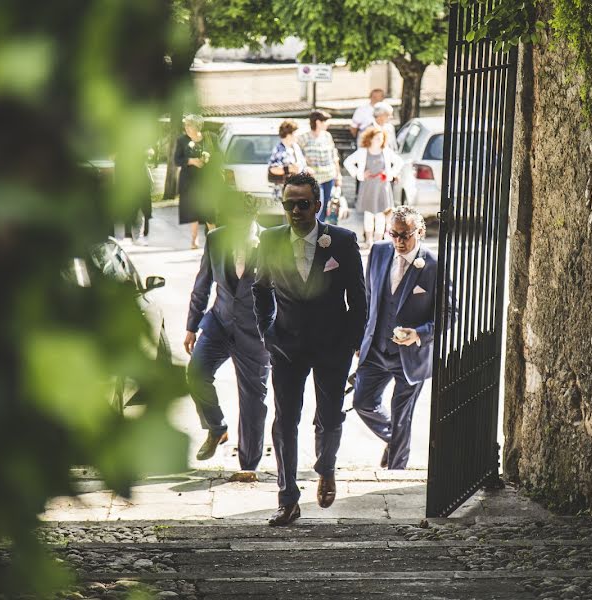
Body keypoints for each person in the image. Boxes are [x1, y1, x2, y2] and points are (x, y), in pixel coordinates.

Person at [252, 172, 366, 526]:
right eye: (290, 204)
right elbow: (260, 289)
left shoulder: (342, 242)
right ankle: (288, 498)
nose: (296, 210)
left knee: (330, 418)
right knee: (285, 421)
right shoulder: (270, 240)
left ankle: (326, 468)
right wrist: (268, 333)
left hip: (332, 346)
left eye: (303, 204)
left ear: (318, 205)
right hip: (286, 346)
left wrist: (351, 343)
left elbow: (359, 299)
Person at [185, 194, 270, 482]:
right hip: (219, 324)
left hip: (255, 334)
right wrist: (191, 326)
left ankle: (249, 465)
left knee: (252, 402)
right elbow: (202, 284)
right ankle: (217, 427)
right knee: (196, 373)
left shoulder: (272, 244)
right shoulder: (216, 238)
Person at [352, 207, 439, 469]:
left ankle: (396, 475)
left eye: (406, 235)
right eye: (394, 234)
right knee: (362, 402)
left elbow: (449, 313)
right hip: (376, 349)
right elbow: (369, 298)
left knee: (402, 416)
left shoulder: (433, 265)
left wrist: (419, 334)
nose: (399, 241)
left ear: (420, 232)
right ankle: (395, 439)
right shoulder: (378, 252)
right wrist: (361, 339)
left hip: (409, 357)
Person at [343, 126, 403, 248]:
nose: (379, 140)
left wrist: (390, 173)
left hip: (382, 186)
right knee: (369, 214)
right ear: (370, 139)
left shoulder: (386, 151)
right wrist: (359, 174)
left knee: (381, 214)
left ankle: (378, 241)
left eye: (381, 138)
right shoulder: (363, 151)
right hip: (368, 186)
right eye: (376, 138)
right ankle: (369, 240)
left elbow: (399, 162)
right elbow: (347, 162)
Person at [174, 114, 216, 249]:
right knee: (193, 211)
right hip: (189, 181)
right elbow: (177, 160)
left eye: (189, 125)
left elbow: (220, 156)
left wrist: (206, 160)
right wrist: (191, 161)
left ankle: (215, 238)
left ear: (197, 126)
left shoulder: (211, 138)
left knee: (209, 210)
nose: (186, 128)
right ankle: (194, 239)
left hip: (206, 180)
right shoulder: (182, 141)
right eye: (185, 125)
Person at [297, 110, 343, 222]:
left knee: (326, 205)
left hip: (329, 177)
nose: (328, 124)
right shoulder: (303, 138)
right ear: (318, 122)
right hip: (314, 179)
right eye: (326, 121)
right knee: (318, 205)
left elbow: (334, 157)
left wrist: (338, 175)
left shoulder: (327, 136)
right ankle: (313, 229)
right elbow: (298, 157)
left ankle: (320, 230)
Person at [267, 120, 307, 204]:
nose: (298, 136)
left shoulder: (295, 147)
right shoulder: (279, 149)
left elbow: (301, 165)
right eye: (295, 133)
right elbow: (272, 169)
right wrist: (289, 169)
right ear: (289, 134)